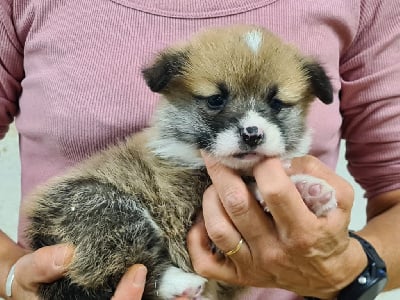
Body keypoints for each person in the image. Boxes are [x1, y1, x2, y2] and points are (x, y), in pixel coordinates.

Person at [0, 0, 399, 299]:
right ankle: (159, 278)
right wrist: (10, 275)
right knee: (96, 206)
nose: (252, 127)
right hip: (90, 256)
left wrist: (353, 265)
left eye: (277, 105)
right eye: (214, 101)